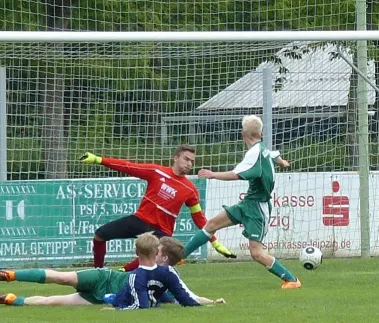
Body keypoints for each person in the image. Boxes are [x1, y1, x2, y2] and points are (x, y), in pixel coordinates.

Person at [182, 115, 301, 290]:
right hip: (248, 203)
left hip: (257, 209)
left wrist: (213, 174)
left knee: (256, 253)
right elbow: (274, 155)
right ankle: (181, 256)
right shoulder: (262, 149)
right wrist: (282, 162)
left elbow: (236, 174)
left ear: (242, 134)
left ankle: (292, 279)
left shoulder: (254, 154)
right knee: (212, 224)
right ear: (261, 133)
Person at [79, 145, 235, 271]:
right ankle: (97, 272)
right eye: (186, 159)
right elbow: (128, 166)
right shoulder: (156, 172)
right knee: (99, 235)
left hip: (161, 231)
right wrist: (98, 160)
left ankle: (123, 273)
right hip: (139, 221)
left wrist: (214, 241)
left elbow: (199, 218)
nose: (189, 164)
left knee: (155, 256)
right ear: (176, 158)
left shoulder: (190, 189)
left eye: (192, 161)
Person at [0, 234, 225, 307]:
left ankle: (12, 300)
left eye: (159, 249)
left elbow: (186, 296)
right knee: (61, 277)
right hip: (105, 277)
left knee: (53, 301)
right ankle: (11, 275)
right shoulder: (154, 269)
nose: (155, 249)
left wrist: (211, 302)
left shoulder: (165, 279)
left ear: (163, 257)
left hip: (102, 299)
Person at [105, 234, 226, 310]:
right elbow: (186, 298)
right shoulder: (167, 272)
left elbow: (188, 296)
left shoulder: (138, 276)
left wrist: (117, 309)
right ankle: (113, 297)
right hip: (115, 283)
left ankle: (113, 298)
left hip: (111, 283)